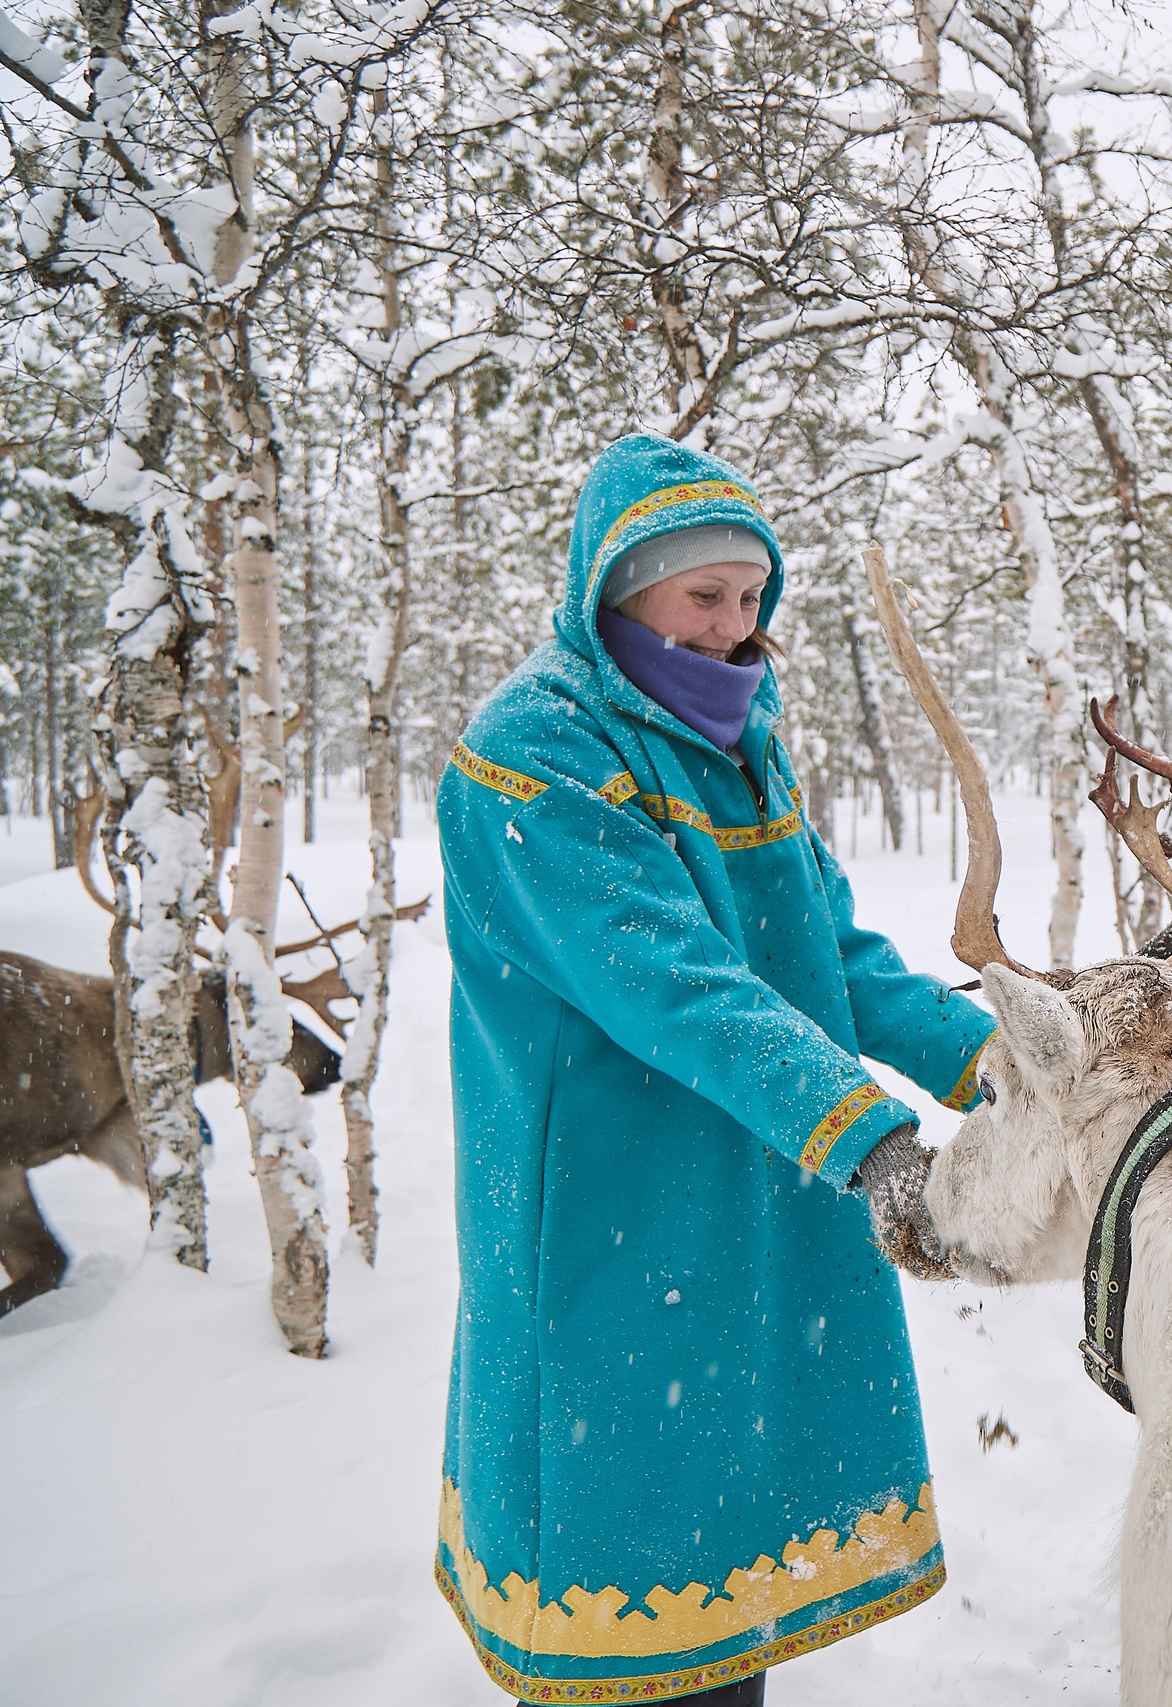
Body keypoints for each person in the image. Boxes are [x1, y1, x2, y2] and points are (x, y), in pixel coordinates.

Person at [434, 435, 994, 1705]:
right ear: (616, 587)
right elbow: (673, 984)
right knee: (625, 1604)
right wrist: (867, 1134)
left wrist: (997, 1064)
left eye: (753, 598)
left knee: (714, 1587)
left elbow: (827, 953)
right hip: (611, 1216)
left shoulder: (739, 735)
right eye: (706, 597)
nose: (738, 628)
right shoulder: (536, 754)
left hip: (741, 1195)